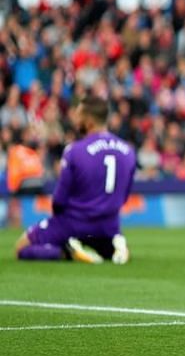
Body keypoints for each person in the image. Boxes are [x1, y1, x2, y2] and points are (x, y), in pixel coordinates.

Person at [15, 96, 137, 265]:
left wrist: (59, 222)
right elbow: (124, 196)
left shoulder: (75, 151)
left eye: (78, 115)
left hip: (74, 223)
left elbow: (59, 200)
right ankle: (115, 244)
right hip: (109, 225)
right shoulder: (128, 151)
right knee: (103, 241)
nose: (75, 119)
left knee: (22, 247)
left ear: (88, 121)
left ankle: (67, 252)